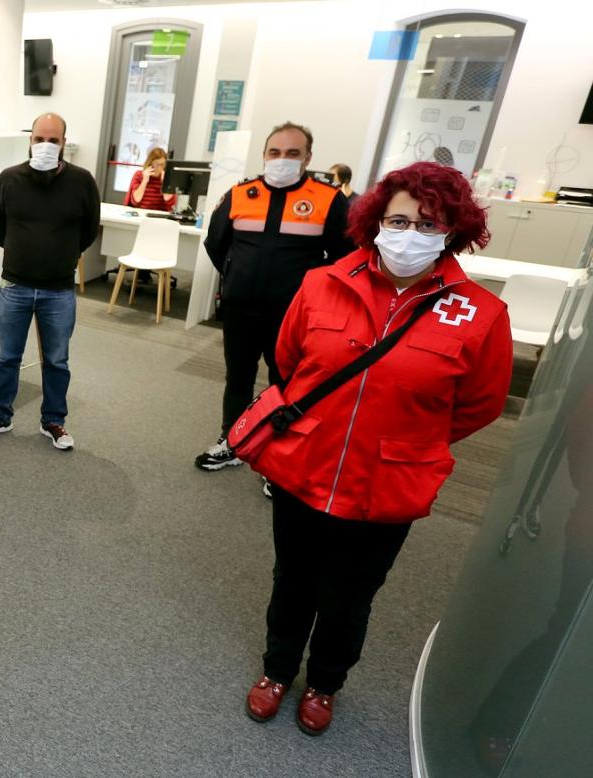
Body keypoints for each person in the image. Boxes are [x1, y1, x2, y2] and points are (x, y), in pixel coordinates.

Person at [241, 161, 513, 736]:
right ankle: (277, 670)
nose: (410, 234)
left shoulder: (481, 313)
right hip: (305, 464)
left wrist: (409, 440)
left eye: (428, 225)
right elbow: (289, 363)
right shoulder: (323, 283)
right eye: (399, 220)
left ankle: (325, 683)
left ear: (452, 231)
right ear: (376, 222)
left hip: (389, 481)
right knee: (293, 579)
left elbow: (481, 404)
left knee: (350, 596)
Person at [196, 121, 354, 473]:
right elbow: (215, 244)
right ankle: (233, 441)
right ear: (264, 155)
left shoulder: (329, 199)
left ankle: (280, 458)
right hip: (241, 308)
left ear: (308, 158)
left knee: (287, 383)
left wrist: (316, 295)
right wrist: (236, 277)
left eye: (293, 153)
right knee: (238, 377)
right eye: (275, 152)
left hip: (294, 314)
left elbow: (345, 257)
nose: (282, 159)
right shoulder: (241, 194)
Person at [0, 112, 100, 450]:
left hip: (58, 290)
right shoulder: (9, 180)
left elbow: (89, 230)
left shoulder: (82, 182)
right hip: (15, 286)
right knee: (7, 357)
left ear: (64, 143)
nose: (45, 145)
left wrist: (63, 254)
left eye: (53, 140)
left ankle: (54, 421)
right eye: (39, 139)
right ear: (29, 140)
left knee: (57, 360)